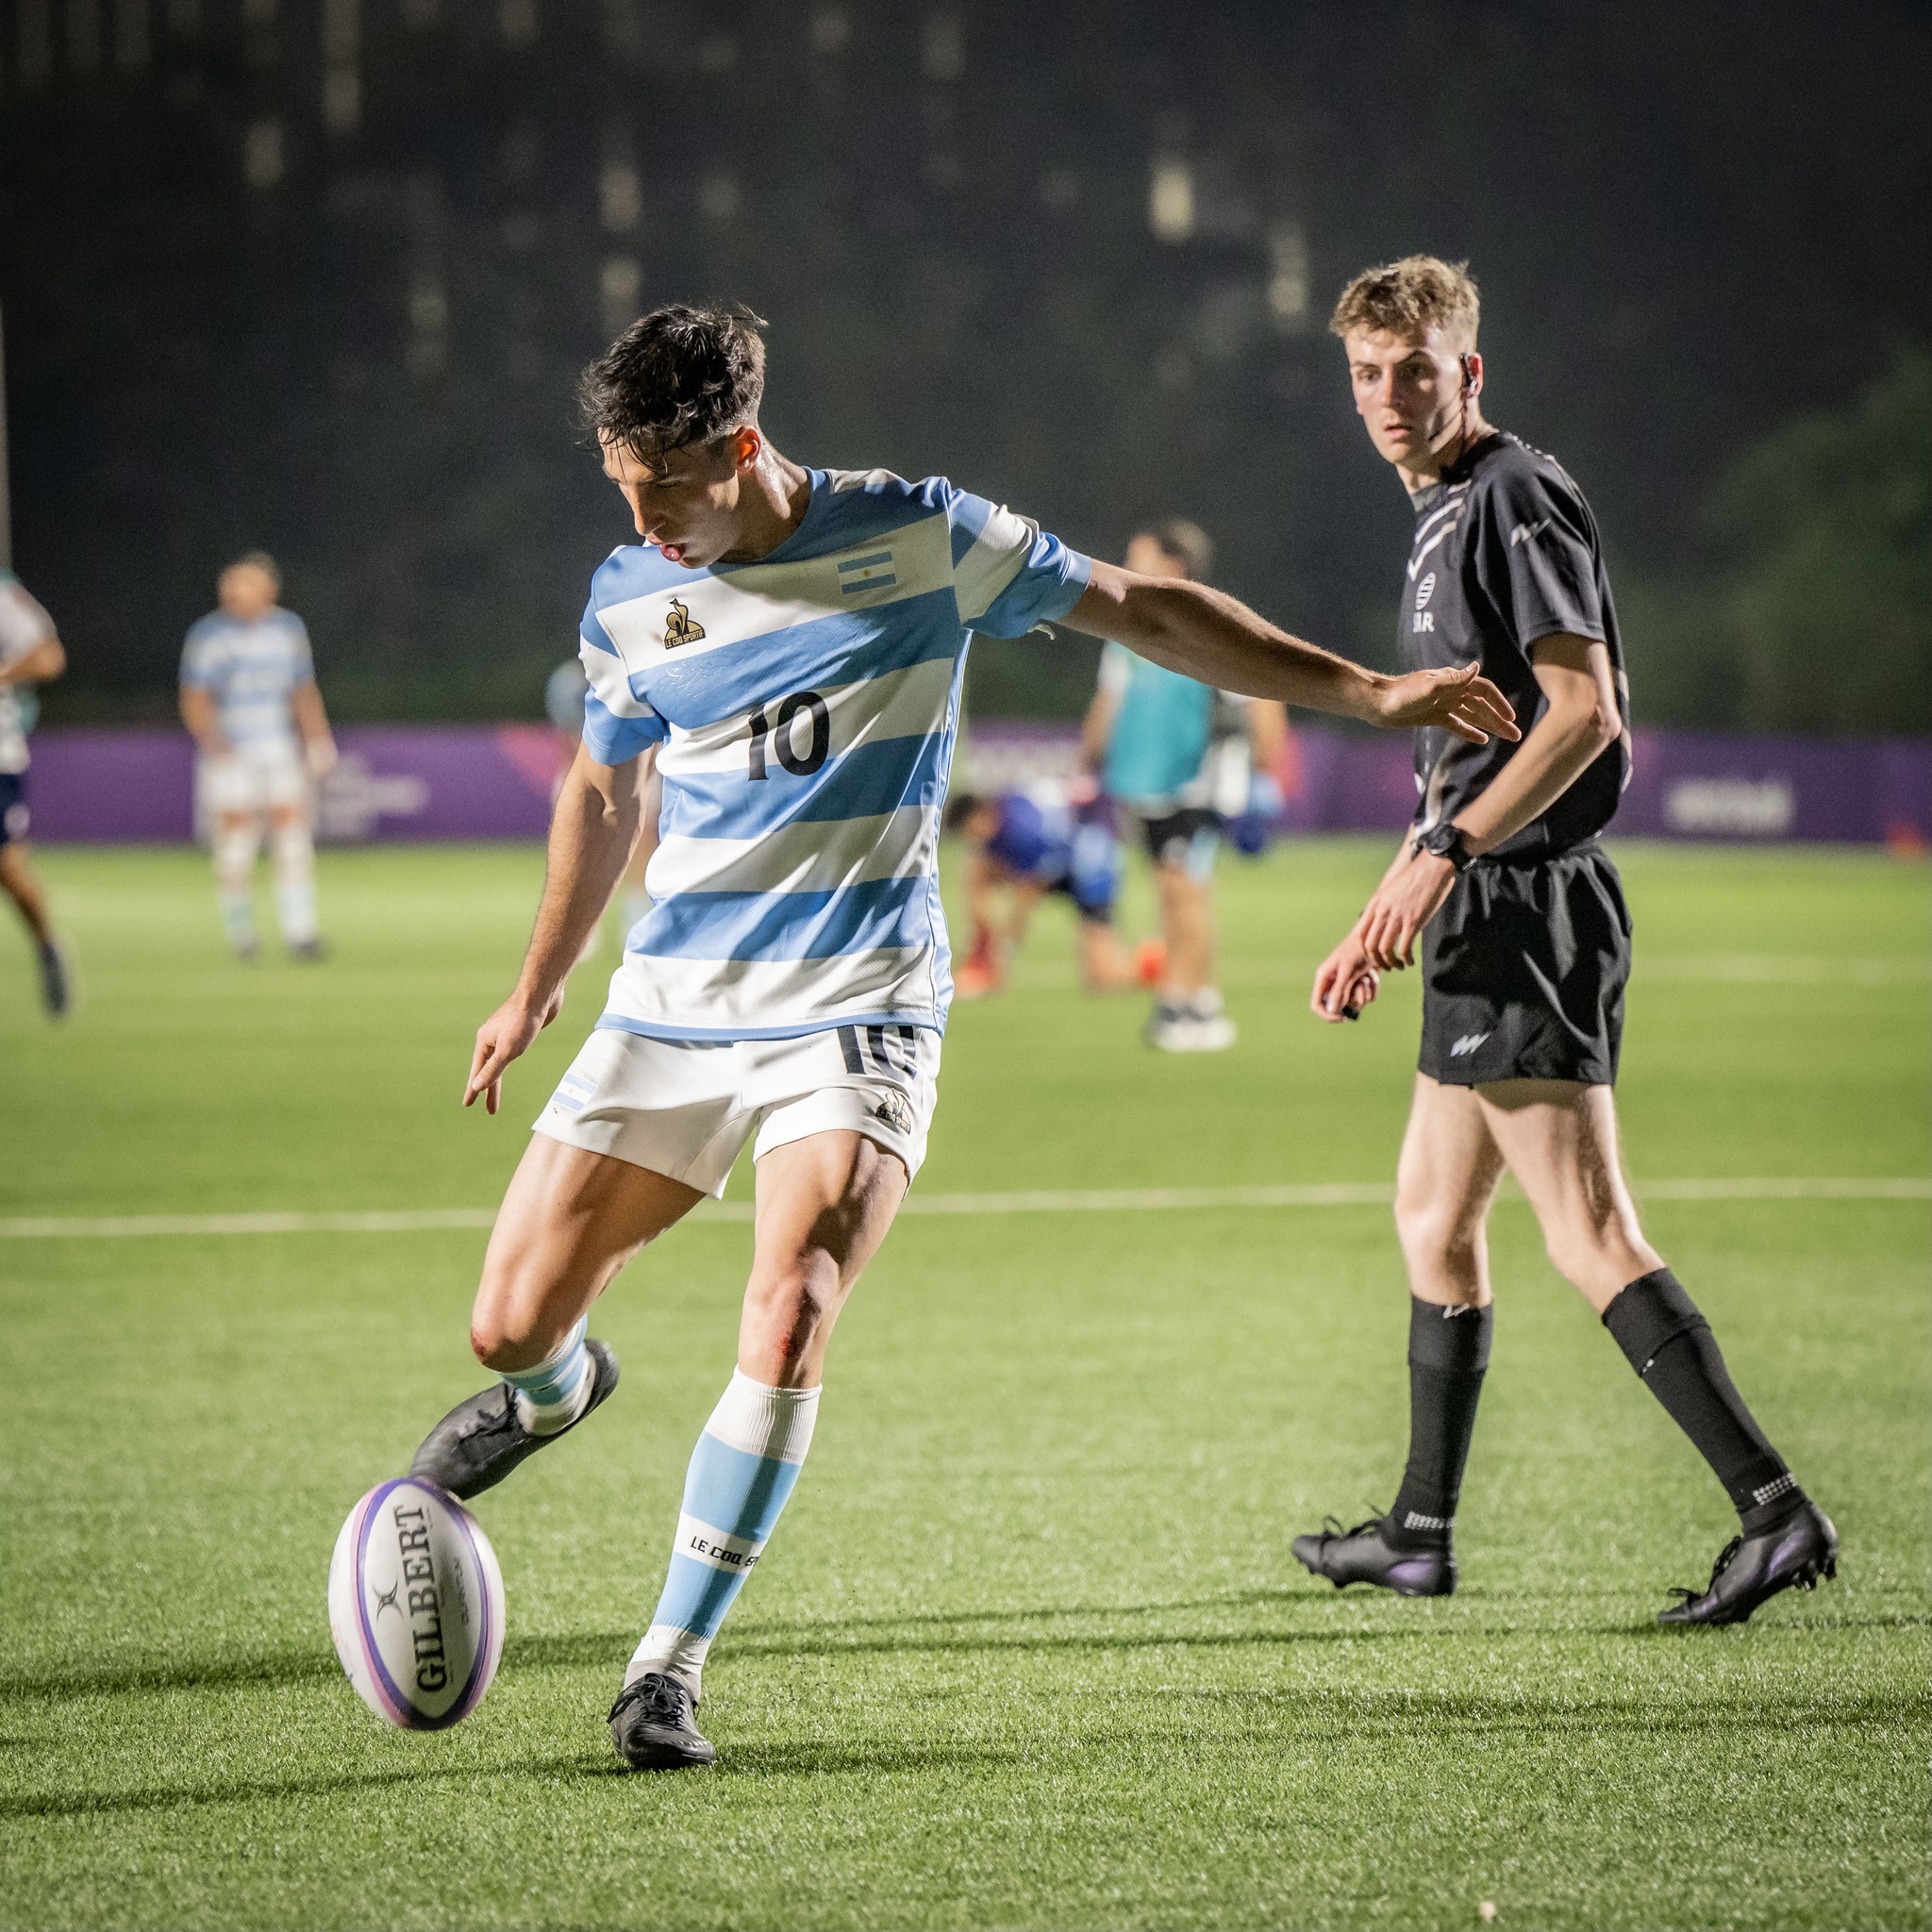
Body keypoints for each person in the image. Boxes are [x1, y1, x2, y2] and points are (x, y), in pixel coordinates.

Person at [401, 302, 1515, 1774]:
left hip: (859, 1003)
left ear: (739, 446)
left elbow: (1142, 609)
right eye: (620, 489)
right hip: (671, 1005)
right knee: (508, 1323)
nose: (640, 518)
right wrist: (537, 984)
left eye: (662, 490)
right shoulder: (627, 596)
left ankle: (666, 1668)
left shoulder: (922, 536)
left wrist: (1366, 693)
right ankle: (558, 1392)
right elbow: (606, 791)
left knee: (793, 1303)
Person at [1292, 256, 1835, 1626]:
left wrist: (1450, 857)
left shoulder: (1513, 490)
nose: (1389, 397)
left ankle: (1775, 1512)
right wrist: (1396, 891)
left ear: (1468, 371)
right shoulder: (1438, 515)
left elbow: (1583, 713)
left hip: (1527, 906)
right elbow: (1465, 758)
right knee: (1432, 1215)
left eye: (1414, 370)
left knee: (1589, 1233)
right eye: (1366, 374)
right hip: (1483, 900)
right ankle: (1419, 1532)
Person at [1081, 521, 1290, 1051]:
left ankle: (1192, 1005)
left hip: (1200, 780)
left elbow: (1266, 694)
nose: (1128, 566)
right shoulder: (1128, 633)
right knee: (1170, 893)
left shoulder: (1214, 625)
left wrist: (1263, 771)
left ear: (1173, 566)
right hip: (1145, 784)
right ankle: (1190, 999)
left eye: (1139, 556)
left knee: (1185, 890)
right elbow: (1107, 705)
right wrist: (1087, 762)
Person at [178, 554, 337, 959]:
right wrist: (213, 743)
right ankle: (242, 933)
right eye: (229, 587)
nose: (234, 594)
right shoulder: (209, 635)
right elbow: (195, 698)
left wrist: (318, 740)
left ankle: (300, 930)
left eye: (244, 585)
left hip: (277, 748)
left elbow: (303, 691)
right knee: (236, 840)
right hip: (232, 752)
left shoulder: (287, 630)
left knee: (292, 837)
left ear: (269, 590)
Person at [944, 780, 1159, 996]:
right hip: (1053, 868)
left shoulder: (1022, 830)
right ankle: (978, 957)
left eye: (968, 829)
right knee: (975, 868)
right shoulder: (1000, 818)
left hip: (1090, 872)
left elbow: (1025, 899)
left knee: (1103, 978)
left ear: (981, 814)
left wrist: (1003, 955)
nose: (971, 838)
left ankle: (1153, 963)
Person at [0, 567, 74, 1015]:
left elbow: (49, 658)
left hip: (0, 757)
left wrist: (3, 673)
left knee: (8, 871)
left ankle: (47, 946)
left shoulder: (5, 597)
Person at [547, 655, 658, 945]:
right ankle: (577, 929)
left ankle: (635, 916)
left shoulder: (632, 667)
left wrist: (645, 775)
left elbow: (654, 729)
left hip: (634, 768)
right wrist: (580, 780)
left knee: (643, 838)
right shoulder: (568, 682)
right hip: (584, 771)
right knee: (574, 846)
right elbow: (567, 736)